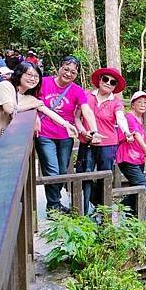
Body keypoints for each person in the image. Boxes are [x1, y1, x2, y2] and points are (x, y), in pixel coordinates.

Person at [0, 62, 77, 176]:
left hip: (1, 152)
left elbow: (46, 110)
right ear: (19, 74)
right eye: (29, 74)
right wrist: (31, 108)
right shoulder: (5, 86)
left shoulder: (28, 98)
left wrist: (66, 124)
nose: (32, 79)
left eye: (36, 76)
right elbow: (9, 109)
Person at [35, 56, 100, 213]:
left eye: (73, 72)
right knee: (52, 170)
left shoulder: (77, 90)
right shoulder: (43, 82)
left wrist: (94, 130)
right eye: (66, 69)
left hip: (65, 135)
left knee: (62, 171)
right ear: (59, 68)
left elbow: (86, 111)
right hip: (45, 133)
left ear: (76, 74)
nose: (68, 74)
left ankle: (54, 204)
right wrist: (35, 117)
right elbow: (30, 100)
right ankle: (54, 206)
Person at [75, 67, 132, 213]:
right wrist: (83, 131)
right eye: (105, 79)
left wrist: (126, 131)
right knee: (85, 175)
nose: (108, 83)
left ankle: (102, 211)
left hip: (107, 144)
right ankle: (84, 211)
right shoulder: (86, 95)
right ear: (100, 80)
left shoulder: (116, 102)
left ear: (115, 87)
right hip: (86, 141)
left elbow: (120, 118)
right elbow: (77, 117)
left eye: (112, 82)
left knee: (105, 177)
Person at [115, 91, 146, 215]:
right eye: (139, 102)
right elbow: (136, 134)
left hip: (138, 158)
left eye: (145, 103)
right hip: (127, 158)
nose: (143, 105)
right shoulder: (129, 117)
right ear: (132, 104)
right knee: (143, 188)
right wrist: (145, 148)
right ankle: (118, 210)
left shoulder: (140, 118)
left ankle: (131, 216)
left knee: (135, 189)